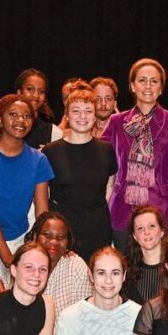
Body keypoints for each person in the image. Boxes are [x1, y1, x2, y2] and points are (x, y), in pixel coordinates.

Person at [102, 58, 168, 251]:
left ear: (161, 88)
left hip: (161, 213)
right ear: (132, 86)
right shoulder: (117, 122)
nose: (148, 86)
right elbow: (99, 161)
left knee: (157, 276)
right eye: (142, 81)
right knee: (124, 275)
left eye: (154, 81)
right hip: (122, 212)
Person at [0, 94, 53, 281]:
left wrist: (38, 249)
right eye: (13, 114)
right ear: (0, 119)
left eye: (27, 116)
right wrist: (8, 258)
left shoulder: (39, 160)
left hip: (21, 239)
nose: (20, 120)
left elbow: (42, 214)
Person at [42, 89, 118, 260]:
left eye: (88, 111)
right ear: (67, 115)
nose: (82, 116)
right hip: (62, 229)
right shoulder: (51, 151)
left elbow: (109, 188)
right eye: (76, 111)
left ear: (95, 115)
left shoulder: (106, 150)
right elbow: (43, 194)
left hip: (97, 226)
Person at [0, 69, 63, 148]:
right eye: (30, 89)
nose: (36, 95)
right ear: (19, 92)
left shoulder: (54, 132)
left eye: (41, 91)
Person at [123, 205, 167, 304]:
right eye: (140, 228)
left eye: (151, 226)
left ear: (162, 231)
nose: (146, 232)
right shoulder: (125, 270)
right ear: (134, 236)